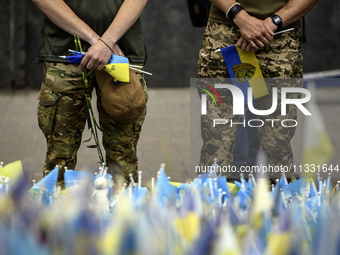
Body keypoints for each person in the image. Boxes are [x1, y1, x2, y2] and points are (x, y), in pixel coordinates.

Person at [196, 0, 318, 180]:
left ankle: (274, 203)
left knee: (277, 143)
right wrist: (240, 16)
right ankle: (216, 203)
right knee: (216, 141)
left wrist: (271, 23)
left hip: (281, 35)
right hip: (226, 33)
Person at [32, 0, 148, 182]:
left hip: (121, 54)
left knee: (123, 159)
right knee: (59, 159)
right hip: (65, 55)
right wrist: (97, 41)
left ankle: (125, 210)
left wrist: (107, 41)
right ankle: (57, 209)